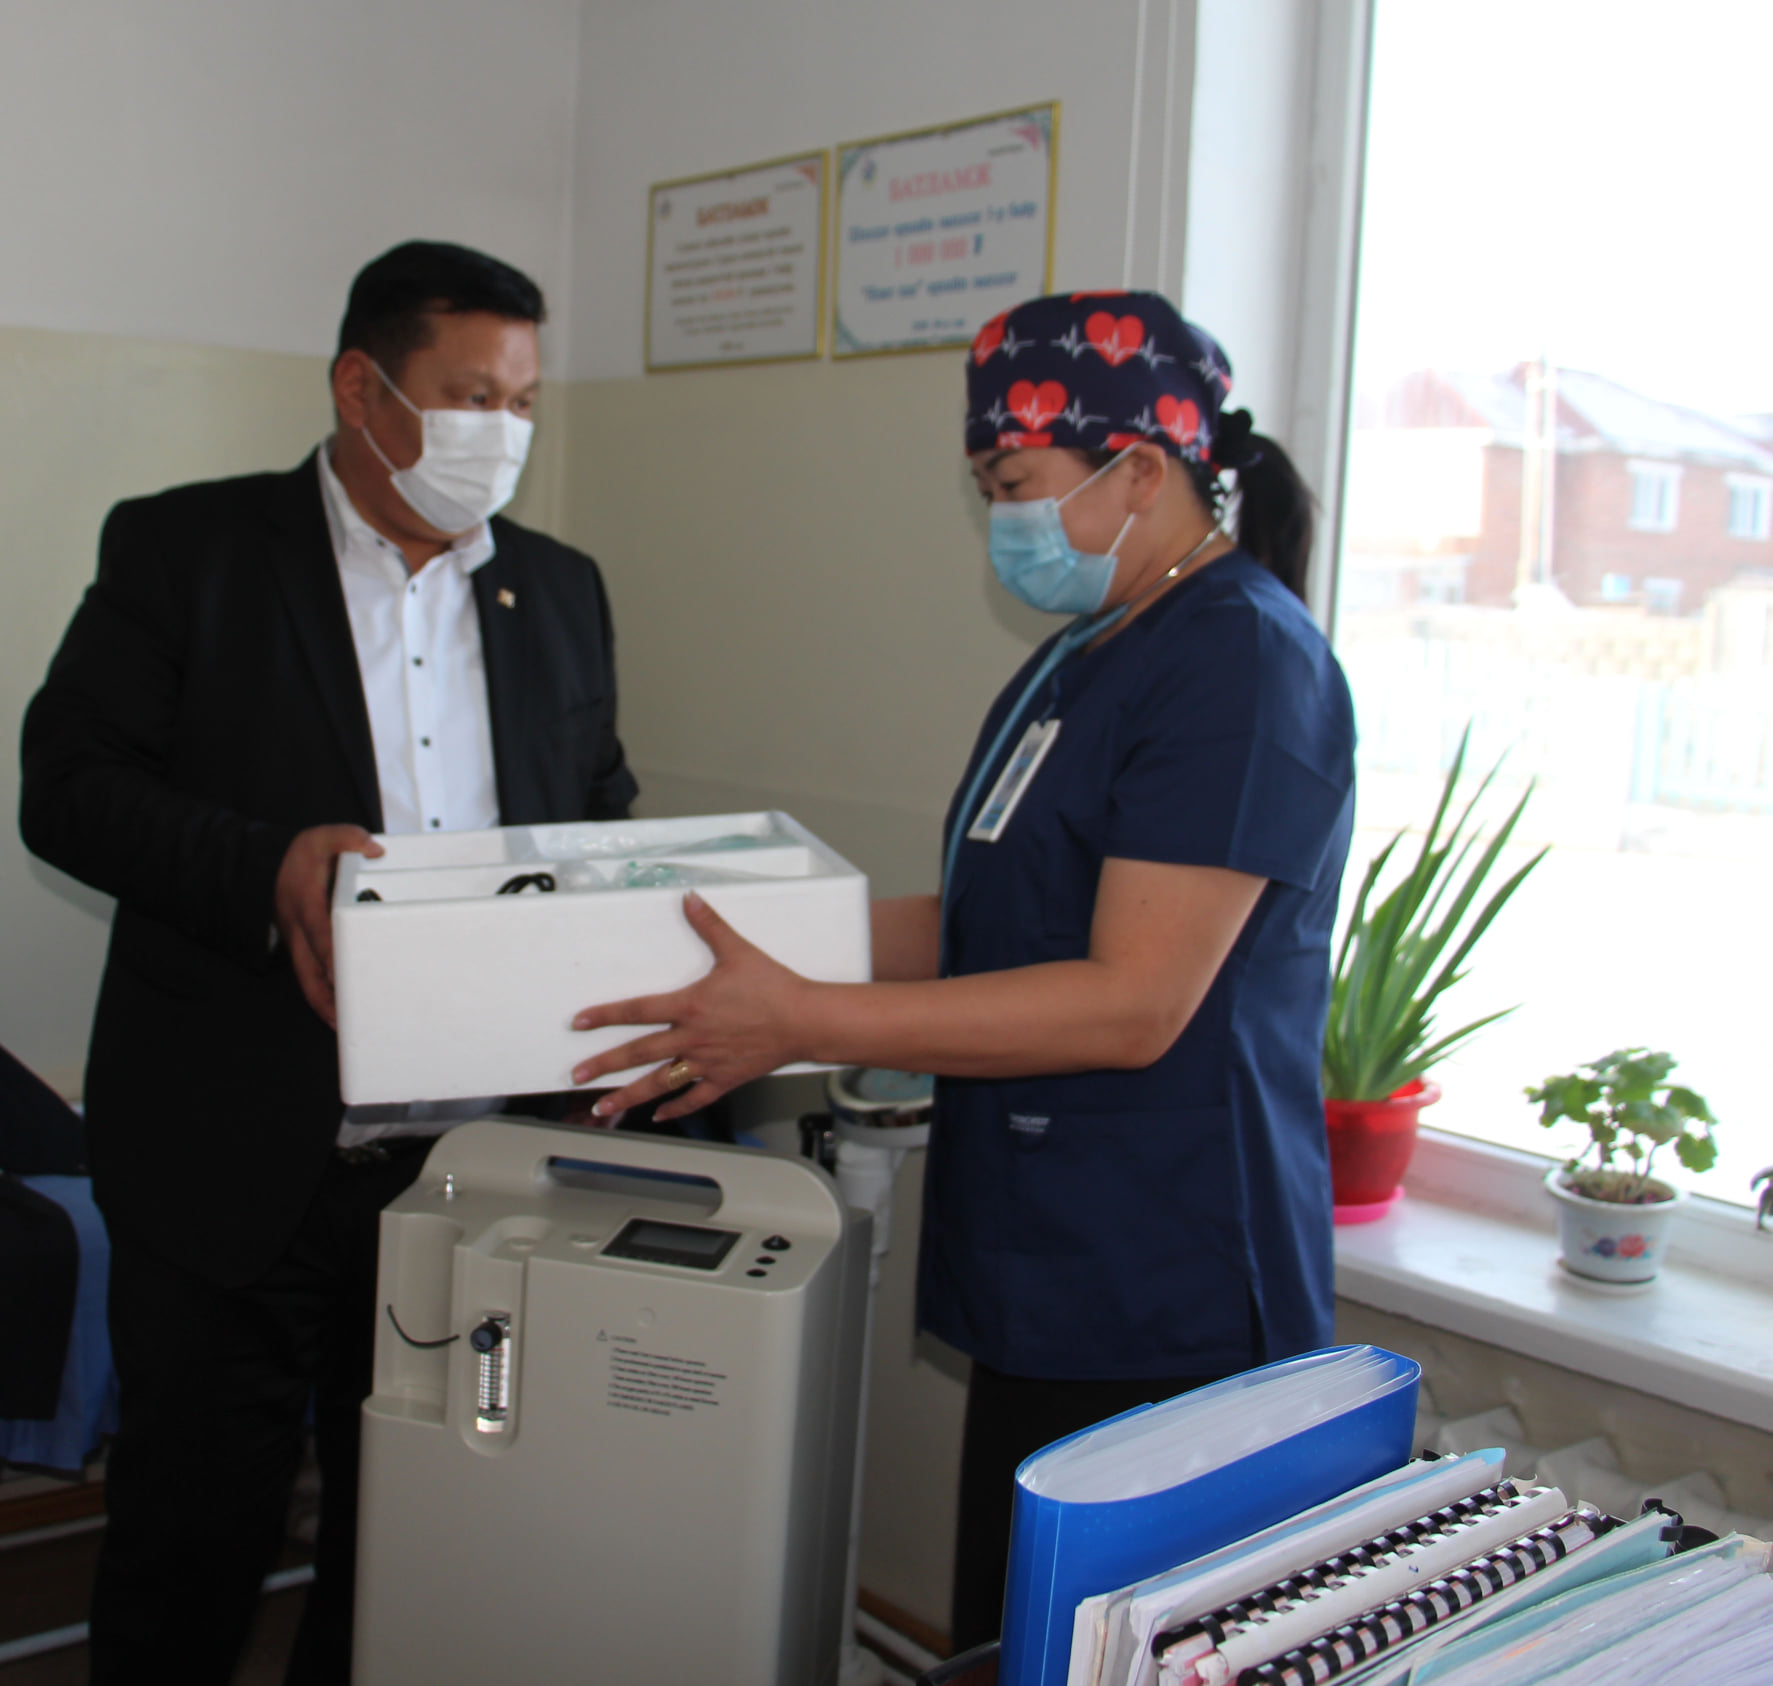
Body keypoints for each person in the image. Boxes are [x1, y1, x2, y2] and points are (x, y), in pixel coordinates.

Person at [567, 290, 1355, 1650]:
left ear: (1139, 469)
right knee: (1017, 1631)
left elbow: (1132, 1001)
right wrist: (733, 941)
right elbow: (995, 918)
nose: (1002, 519)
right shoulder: (1082, 655)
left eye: (1015, 483)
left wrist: (803, 1019)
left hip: (1163, 1271)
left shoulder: (1241, 662)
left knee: (1117, 1649)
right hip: (1051, 1248)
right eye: (989, 488)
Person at [19, 240, 637, 1684]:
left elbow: (595, 810)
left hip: (471, 1174)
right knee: (190, 1546)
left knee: (414, 1552)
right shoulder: (188, 550)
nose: (504, 433)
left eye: (524, 401)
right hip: (232, 1153)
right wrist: (266, 866)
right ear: (362, 388)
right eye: (469, 396)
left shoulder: (557, 589)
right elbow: (71, 790)